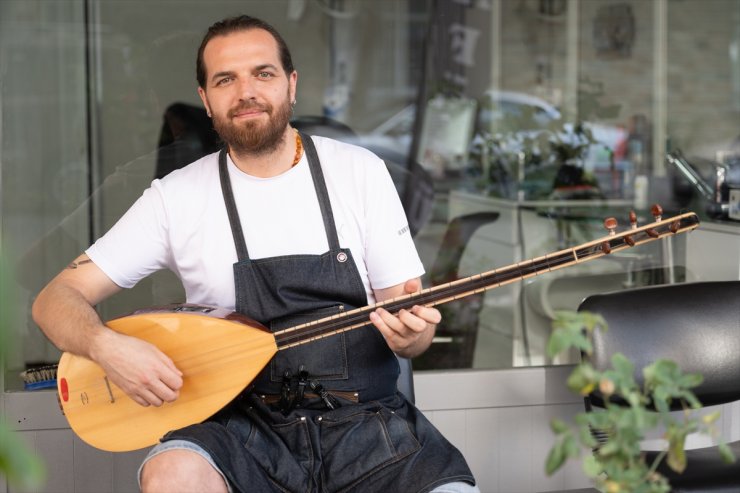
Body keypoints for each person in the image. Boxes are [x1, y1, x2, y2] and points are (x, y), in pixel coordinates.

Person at [32, 15, 478, 493]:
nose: (246, 91)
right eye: (226, 79)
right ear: (205, 99)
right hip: (239, 430)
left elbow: (410, 334)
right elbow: (53, 300)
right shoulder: (175, 198)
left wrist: (412, 335)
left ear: (291, 85)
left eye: (263, 74)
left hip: (368, 429)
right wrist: (106, 346)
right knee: (171, 474)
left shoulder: (360, 173)